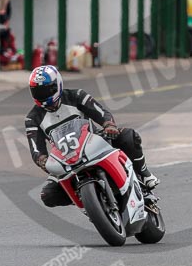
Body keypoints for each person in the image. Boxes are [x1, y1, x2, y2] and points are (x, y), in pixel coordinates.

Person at [25, 65, 159, 208]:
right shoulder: (32, 118)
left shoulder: (76, 96)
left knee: (127, 136)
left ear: (57, 85)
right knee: (48, 195)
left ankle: (144, 175)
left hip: (93, 143)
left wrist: (109, 125)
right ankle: (89, 201)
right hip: (65, 159)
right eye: (37, 91)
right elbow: (36, 148)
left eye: (46, 90)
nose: (42, 95)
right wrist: (43, 160)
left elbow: (101, 112)